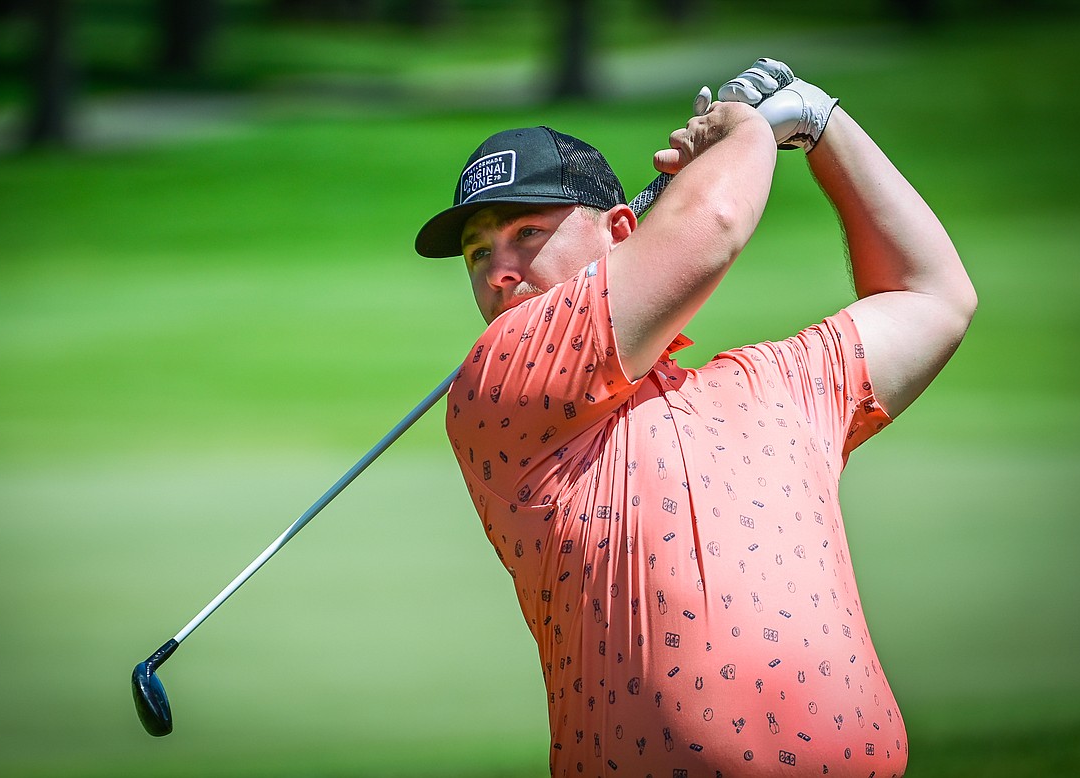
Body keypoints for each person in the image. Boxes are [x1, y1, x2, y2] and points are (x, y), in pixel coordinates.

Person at [414, 58, 976, 777]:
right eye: (476, 252)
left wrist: (820, 121)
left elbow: (933, 297)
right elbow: (712, 222)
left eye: (526, 233)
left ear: (620, 232)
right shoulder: (498, 382)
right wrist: (744, 130)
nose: (498, 269)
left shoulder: (773, 383)